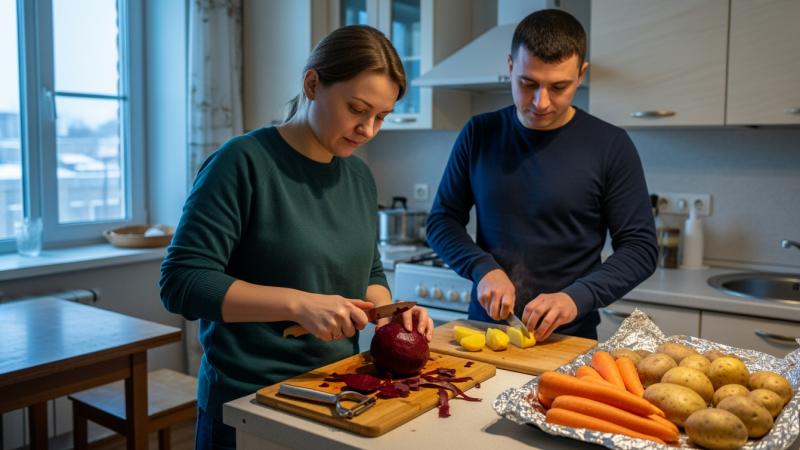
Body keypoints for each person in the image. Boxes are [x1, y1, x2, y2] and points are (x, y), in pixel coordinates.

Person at [159, 25, 434, 450]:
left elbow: (369, 269)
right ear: (312, 84)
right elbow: (182, 283)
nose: (368, 130)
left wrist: (391, 316)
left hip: (334, 395)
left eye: (381, 117)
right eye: (357, 109)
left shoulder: (359, 175)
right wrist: (297, 303)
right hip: (248, 403)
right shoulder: (242, 162)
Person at [425, 10, 658, 343]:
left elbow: (640, 248)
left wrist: (576, 297)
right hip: (485, 333)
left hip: (569, 340)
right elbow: (441, 221)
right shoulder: (479, 133)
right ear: (510, 66)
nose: (541, 102)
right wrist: (483, 268)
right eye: (528, 83)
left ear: (581, 75)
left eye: (559, 86)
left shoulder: (610, 145)